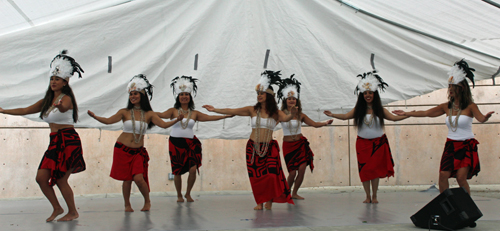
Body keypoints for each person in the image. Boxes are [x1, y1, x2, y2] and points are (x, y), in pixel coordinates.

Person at [0, 50, 85, 221]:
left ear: (65, 82)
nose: (53, 81)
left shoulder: (66, 98)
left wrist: (60, 106)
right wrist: (3, 110)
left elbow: (65, 107)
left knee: (61, 180)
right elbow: (25, 110)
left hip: (68, 140)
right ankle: (57, 208)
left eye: (57, 79)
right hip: (54, 142)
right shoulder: (46, 101)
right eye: (52, 79)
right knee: (41, 178)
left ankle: (73, 212)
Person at [393, 60, 493, 195]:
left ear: (462, 88)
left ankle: (466, 207)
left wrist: (486, 118)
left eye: (453, 86)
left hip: (466, 145)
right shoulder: (446, 106)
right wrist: (407, 113)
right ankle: (446, 205)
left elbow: (480, 118)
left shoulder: (470, 106)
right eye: (449, 86)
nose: (450, 89)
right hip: (451, 145)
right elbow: (427, 113)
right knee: (443, 176)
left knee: (460, 178)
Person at [87, 74, 183, 212]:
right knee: (127, 179)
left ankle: (147, 201)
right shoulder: (124, 112)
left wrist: (176, 120)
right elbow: (108, 121)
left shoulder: (149, 114)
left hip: (138, 152)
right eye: (131, 94)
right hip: (122, 149)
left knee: (138, 178)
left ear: (142, 95)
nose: (132, 96)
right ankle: (127, 204)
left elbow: (163, 125)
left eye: (135, 93)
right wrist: (95, 117)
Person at [203, 70, 296, 210]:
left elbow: (286, 118)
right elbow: (232, 110)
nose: (259, 96)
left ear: (269, 96)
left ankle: (269, 200)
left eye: (262, 93)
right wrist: (215, 109)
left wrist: (292, 114)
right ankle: (260, 202)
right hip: (253, 147)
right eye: (258, 93)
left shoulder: (276, 112)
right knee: (257, 177)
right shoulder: (252, 110)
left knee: (271, 175)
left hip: (269, 147)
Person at [324, 70, 407, 203]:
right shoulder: (358, 109)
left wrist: (408, 114)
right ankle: (367, 196)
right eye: (365, 93)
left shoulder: (380, 109)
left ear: (374, 94)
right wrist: (332, 115)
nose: (367, 95)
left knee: (374, 170)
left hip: (378, 143)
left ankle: (374, 195)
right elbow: (345, 116)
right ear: (362, 95)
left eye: (370, 93)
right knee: (365, 170)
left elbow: (394, 119)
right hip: (362, 144)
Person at [157, 76, 232, 202]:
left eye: (187, 94)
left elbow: (209, 118)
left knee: (193, 169)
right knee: (177, 171)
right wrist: (145, 111)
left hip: (190, 143)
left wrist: (226, 116)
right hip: (175, 143)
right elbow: (160, 115)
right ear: (178, 97)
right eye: (182, 94)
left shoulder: (195, 113)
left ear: (190, 97)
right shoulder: (173, 111)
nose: (184, 96)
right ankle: (179, 195)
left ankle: (187, 193)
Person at [277, 74, 332, 200]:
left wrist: (325, 123)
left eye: (294, 99)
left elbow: (314, 124)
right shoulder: (280, 114)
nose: (292, 100)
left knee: (301, 170)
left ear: (297, 101)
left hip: (300, 144)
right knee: (292, 172)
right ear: (285, 101)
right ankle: (286, 192)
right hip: (288, 146)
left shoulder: (301, 115)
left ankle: (294, 193)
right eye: (289, 98)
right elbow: (271, 123)